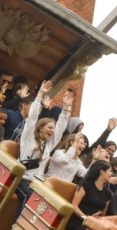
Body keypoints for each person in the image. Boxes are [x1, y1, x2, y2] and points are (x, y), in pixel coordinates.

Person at [15, 82, 74, 218]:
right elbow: (32, 117)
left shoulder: (49, 144)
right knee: (29, 198)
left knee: (48, 204)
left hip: (35, 183)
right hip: (20, 179)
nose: (52, 131)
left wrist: (66, 108)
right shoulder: (28, 137)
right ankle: (14, 228)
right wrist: (40, 94)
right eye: (49, 127)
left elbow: (60, 128)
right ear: (40, 127)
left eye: (53, 128)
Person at [65, 160, 113, 230]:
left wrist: (96, 221)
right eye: (110, 171)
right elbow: (74, 205)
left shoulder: (108, 194)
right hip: (79, 222)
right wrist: (87, 218)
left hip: (94, 226)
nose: (111, 174)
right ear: (102, 171)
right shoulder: (86, 185)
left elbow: (102, 216)